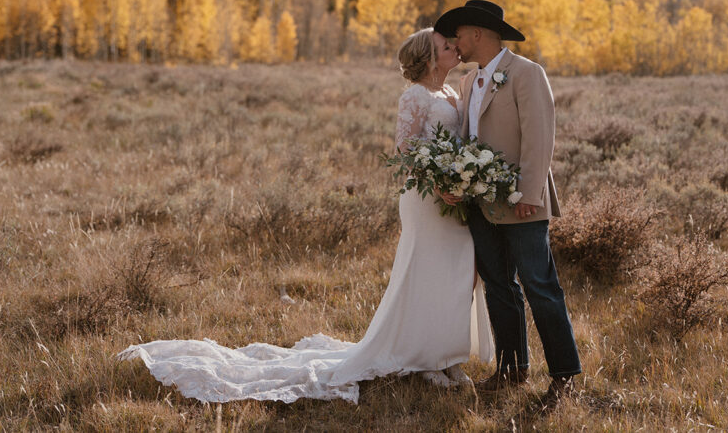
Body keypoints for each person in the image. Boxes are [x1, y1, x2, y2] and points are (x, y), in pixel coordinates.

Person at [118, 28, 493, 404]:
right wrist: (438, 179)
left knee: (454, 270)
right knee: (423, 271)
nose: (455, 49)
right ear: (429, 58)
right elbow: (405, 148)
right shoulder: (415, 95)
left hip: (454, 199)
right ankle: (422, 358)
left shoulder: (450, 92)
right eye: (446, 47)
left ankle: (447, 355)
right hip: (426, 198)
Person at [434, 0, 582, 407]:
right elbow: (467, 142)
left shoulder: (527, 73)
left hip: (522, 204)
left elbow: (539, 137)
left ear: (478, 33)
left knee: (541, 287)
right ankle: (512, 370)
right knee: (499, 288)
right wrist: (456, 185)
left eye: (459, 35)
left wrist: (529, 195)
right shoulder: (467, 83)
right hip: (481, 205)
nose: (455, 43)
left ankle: (564, 378)